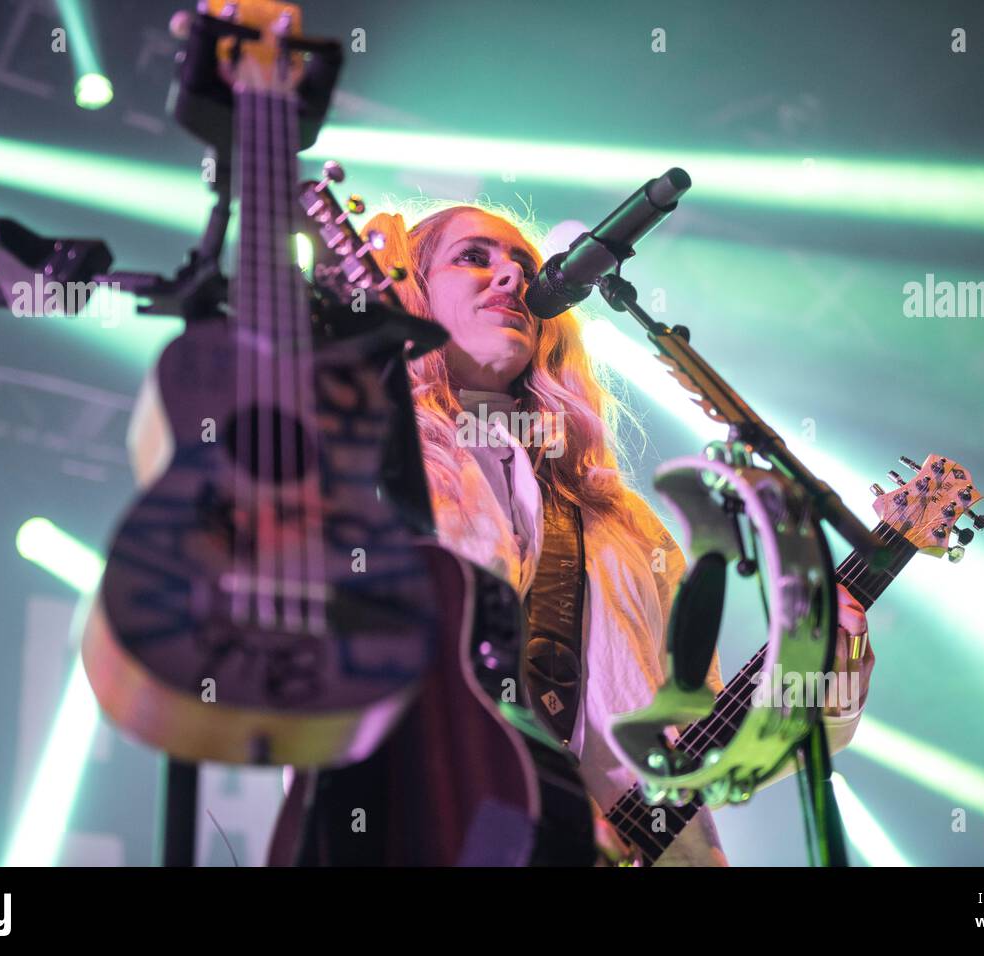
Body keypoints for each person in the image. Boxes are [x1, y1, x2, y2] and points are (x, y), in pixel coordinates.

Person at [359, 200, 875, 865]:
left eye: (522, 262)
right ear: (409, 293)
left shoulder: (627, 528)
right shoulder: (366, 477)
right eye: (473, 257)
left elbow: (703, 749)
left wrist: (828, 664)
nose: (513, 277)